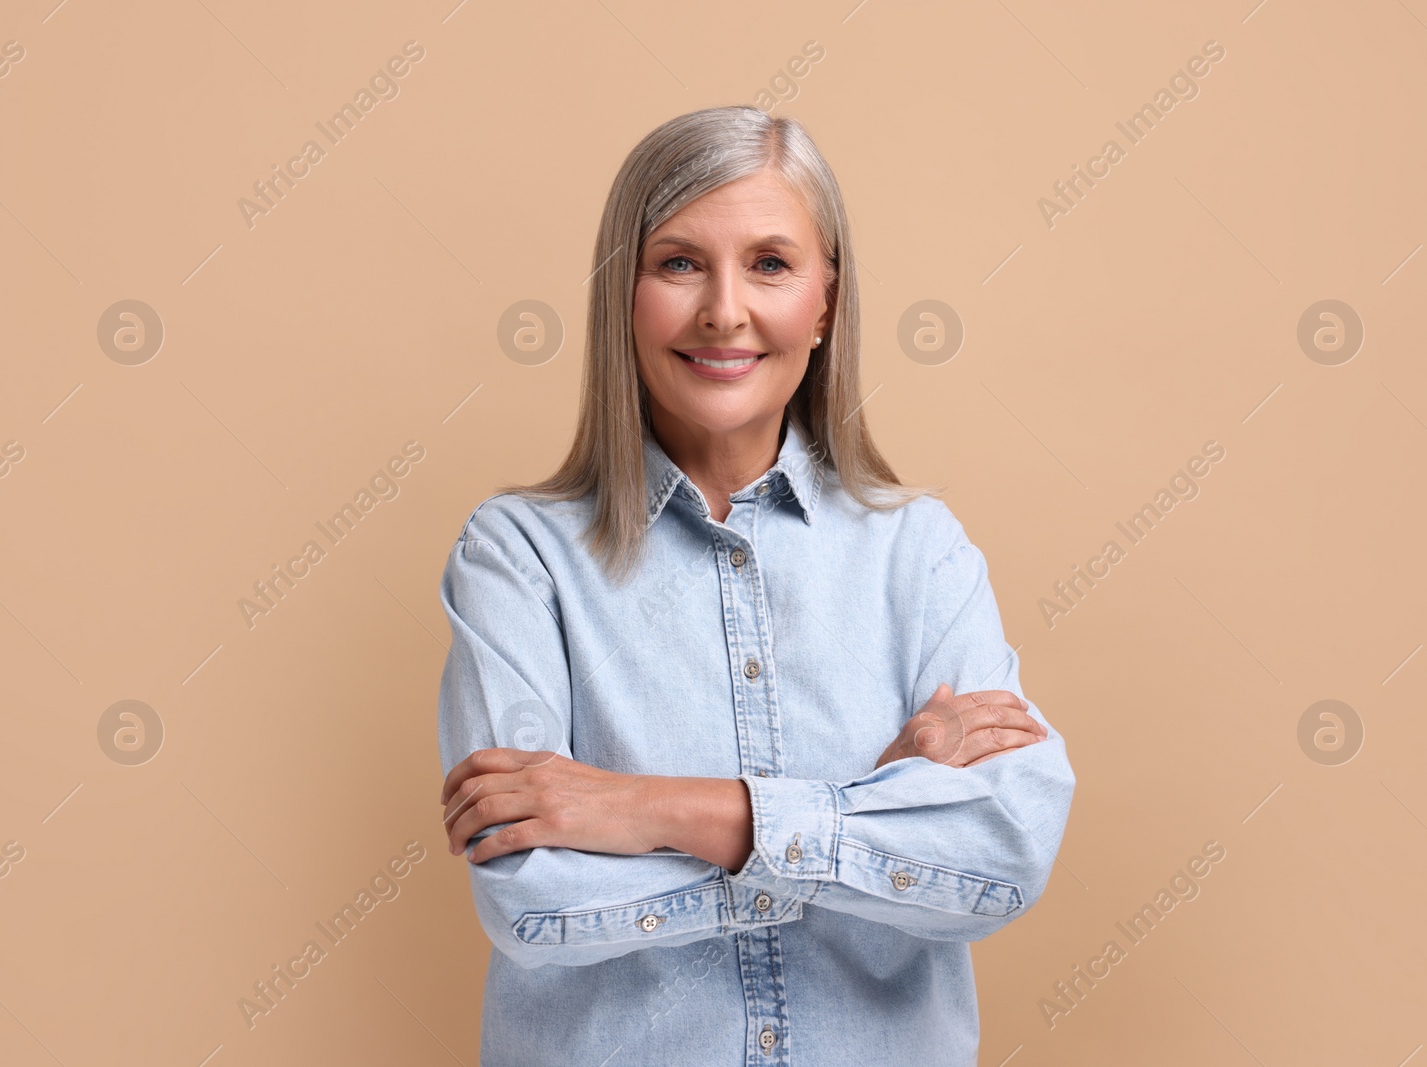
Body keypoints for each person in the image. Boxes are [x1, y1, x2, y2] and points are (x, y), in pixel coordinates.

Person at [437, 104, 1076, 1067]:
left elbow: (1000, 857)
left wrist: (640, 807)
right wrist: (868, 809)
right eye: (679, 262)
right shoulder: (519, 555)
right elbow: (536, 900)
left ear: (825, 301)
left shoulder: (921, 551)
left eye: (770, 264)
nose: (724, 311)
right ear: (624, 293)